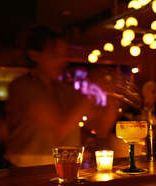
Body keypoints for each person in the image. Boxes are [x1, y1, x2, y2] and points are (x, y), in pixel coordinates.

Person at [5, 25, 97, 167]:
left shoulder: (65, 90)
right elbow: (58, 130)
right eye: (55, 54)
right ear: (34, 55)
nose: (63, 61)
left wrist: (114, 98)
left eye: (65, 55)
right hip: (28, 168)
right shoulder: (22, 87)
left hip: (66, 167)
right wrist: (90, 97)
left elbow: (100, 126)